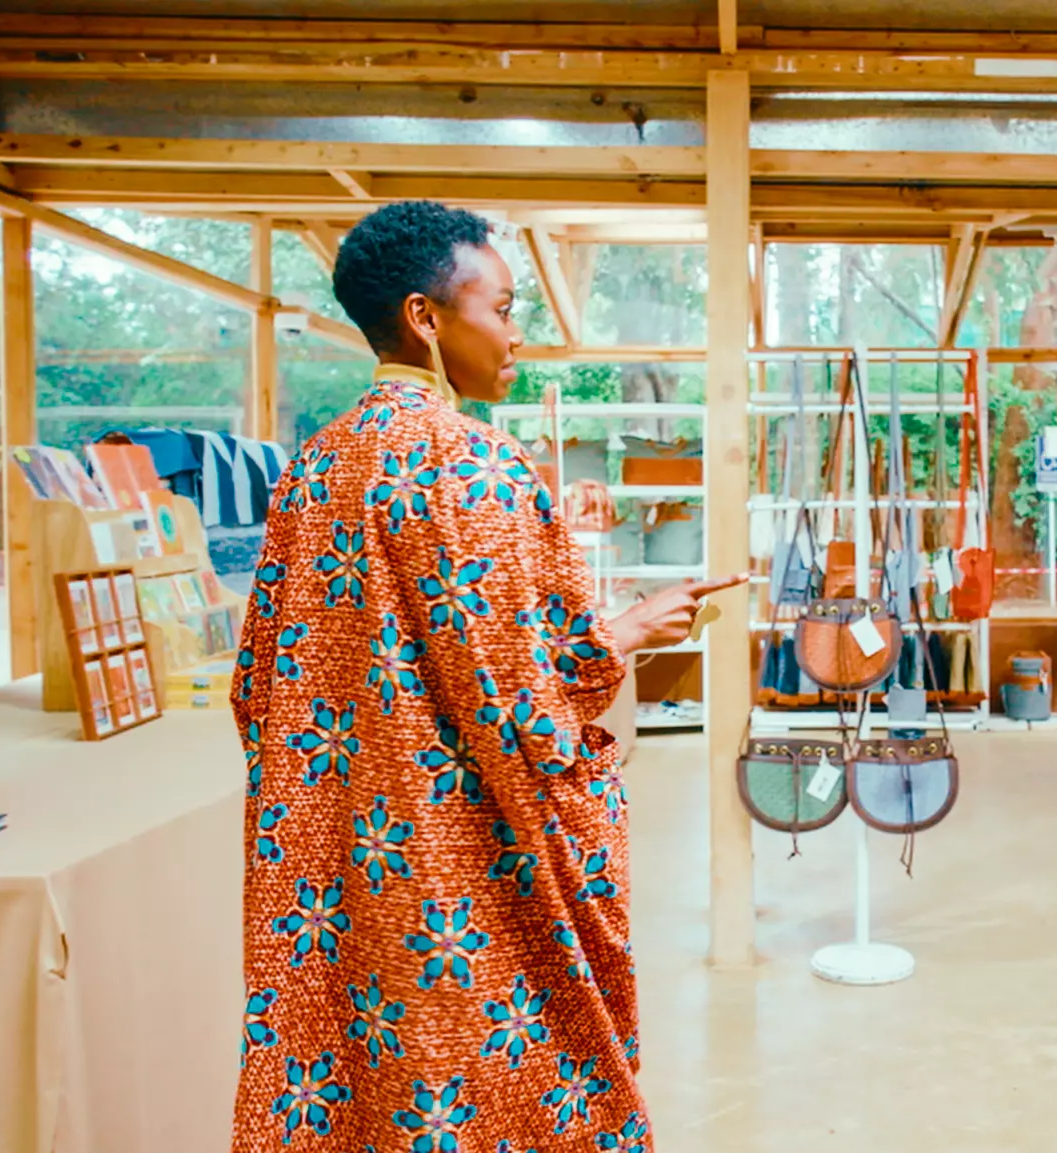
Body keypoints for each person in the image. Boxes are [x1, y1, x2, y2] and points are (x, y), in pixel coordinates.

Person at [230, 200, 741, 1153]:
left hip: (339, 873)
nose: (516, 335)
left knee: (366, 1093)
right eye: (502, 308)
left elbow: (258, 687)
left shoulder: (311, 470)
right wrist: (628, 632)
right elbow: (525, 709)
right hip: (466, 872)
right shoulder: (478, 466)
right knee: (492, 1086)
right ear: (425, 317)